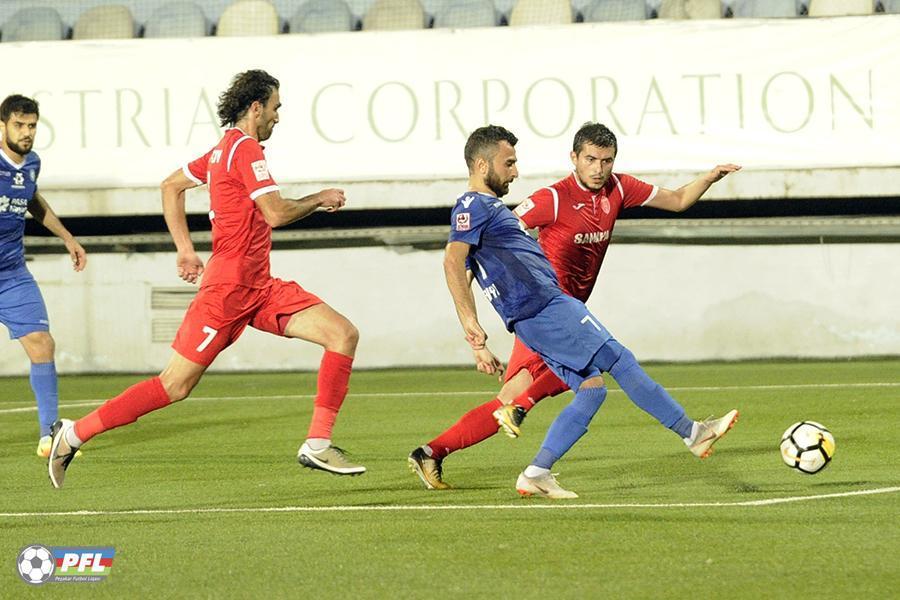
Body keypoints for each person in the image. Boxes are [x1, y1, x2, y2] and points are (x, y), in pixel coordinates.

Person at [48, 70, 364, 489]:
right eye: (276, 107)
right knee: (174, 386)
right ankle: (72, 434)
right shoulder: (244, 149)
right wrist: (318, 198)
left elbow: (171, 185)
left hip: (260, 288)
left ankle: (318, 443)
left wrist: (185, 249)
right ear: (256, 108)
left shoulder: (221, 151)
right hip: (227, 292)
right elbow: (275, 213)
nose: (278, 116)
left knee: (342, 334)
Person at [408, 123, 741, 490]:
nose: (599, 168)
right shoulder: (542, 199)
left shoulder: (617, 189)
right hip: (547, 309)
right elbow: (463, 258)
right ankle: (691, 432)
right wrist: (472, 327)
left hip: (553, 311)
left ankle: (505, 464)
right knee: (617, 360)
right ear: (575, 158)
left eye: (606, 161)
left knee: (587, 389)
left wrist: (708, 178)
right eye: (591, 159)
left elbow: (676, 200)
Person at [0, 94, 87, 458]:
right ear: (2, 126)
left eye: (32, 126)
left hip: (11, 274)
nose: (27, 132)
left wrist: (67, 237)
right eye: (19, 125)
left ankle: (50, 436)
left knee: (42, 343)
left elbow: (32, 200)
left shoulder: (32, 163)